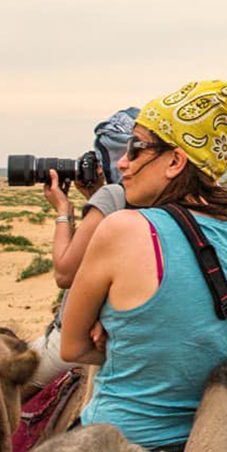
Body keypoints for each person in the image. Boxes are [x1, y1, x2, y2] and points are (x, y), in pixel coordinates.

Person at [57, 80, 227, 452]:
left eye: (136, 149)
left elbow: (71, 347)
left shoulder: (123, 229)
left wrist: (128, 339)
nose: (122, 162)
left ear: (175, 162)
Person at [27, 107, 139, 391]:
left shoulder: (115, 196)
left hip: (81, 341)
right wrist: (94, 200)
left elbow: (65, 273)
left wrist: (63, 210)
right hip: (133, 336)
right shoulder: (157, 200)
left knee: (0, 387)